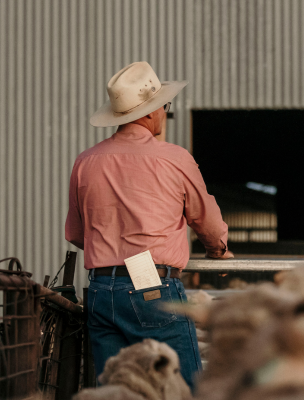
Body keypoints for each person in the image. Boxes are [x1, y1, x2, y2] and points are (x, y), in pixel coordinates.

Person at [65, 61, 233, 389]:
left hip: (101, 290)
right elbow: (208, 222)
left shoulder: (85, 162)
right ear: (150, 112)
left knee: (117, 390)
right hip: (152, 286)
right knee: (182, 388)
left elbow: (75, 234)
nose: (164, 114)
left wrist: (114, 245)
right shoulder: (174, 158)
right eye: (164, 107)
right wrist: (219, 250)